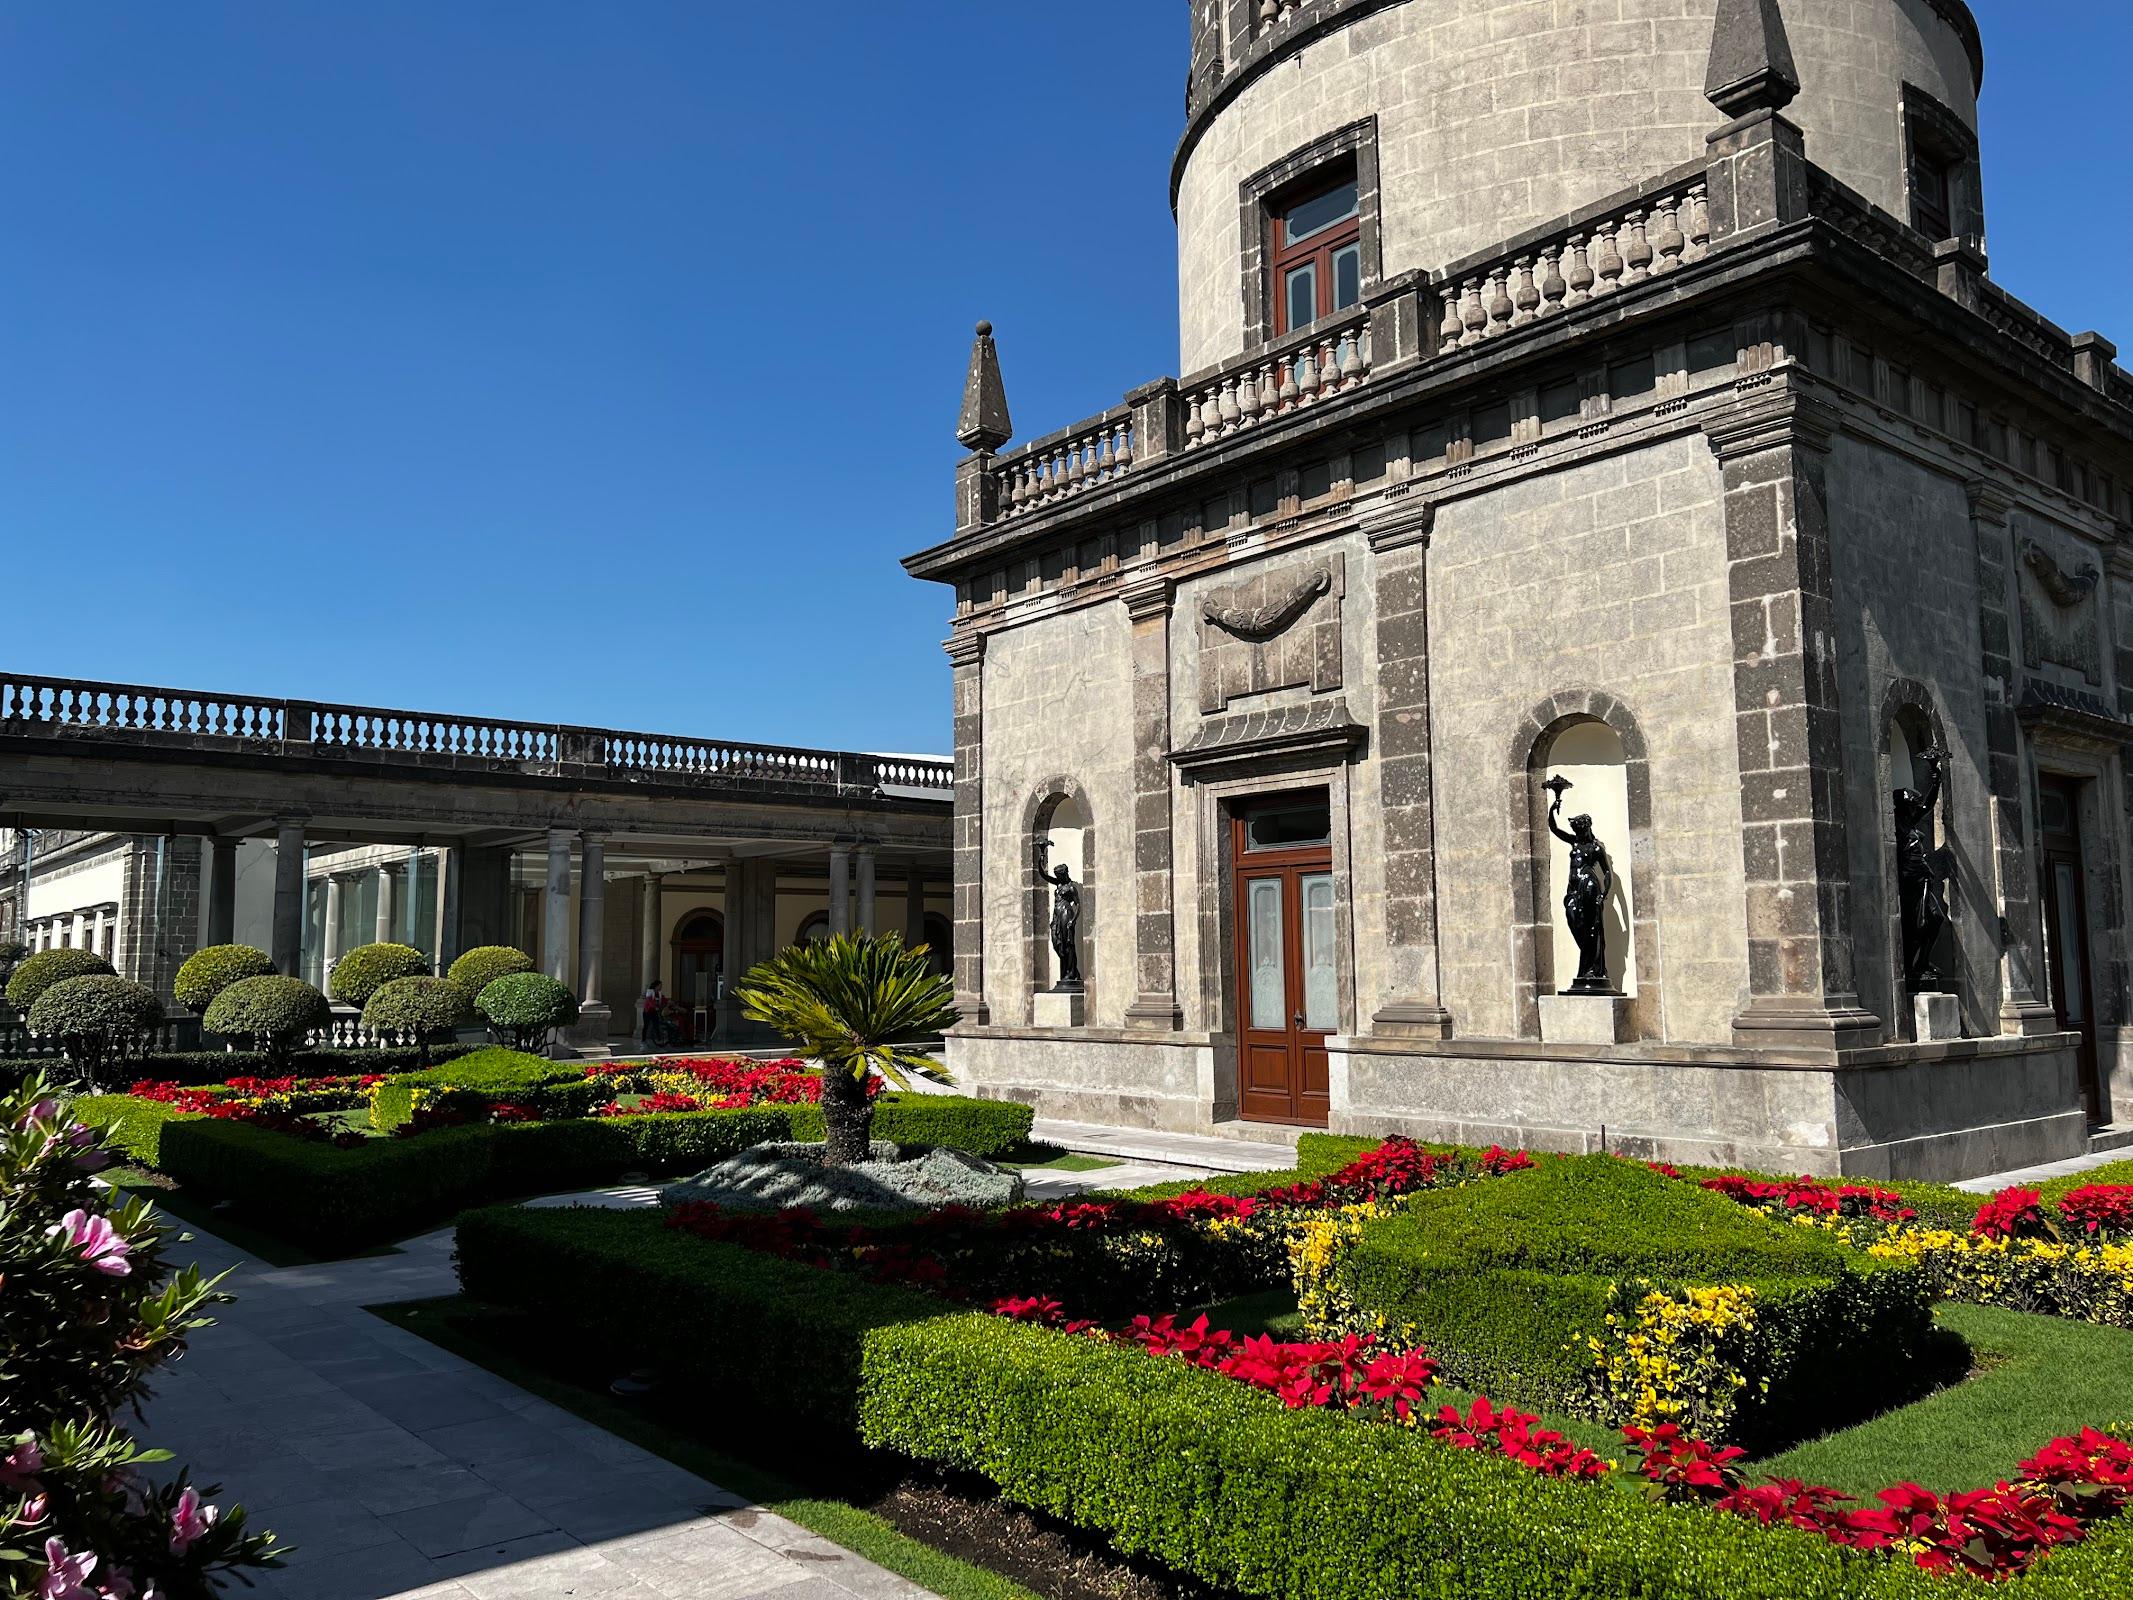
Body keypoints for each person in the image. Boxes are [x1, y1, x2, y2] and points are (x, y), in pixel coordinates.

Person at [641, 979, 668, 1046]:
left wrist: (668, 1002)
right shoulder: (650, 992)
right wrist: (654, 1006)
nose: (661, 987)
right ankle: (643, 1039)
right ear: (656, 986)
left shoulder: (659, 994)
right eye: (660, 986)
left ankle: (659, 1039)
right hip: (648, 1011)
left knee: (656, 1024)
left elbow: (664, 1000)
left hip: (654, 1011)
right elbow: (649, 1001)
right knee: (646, 1025)